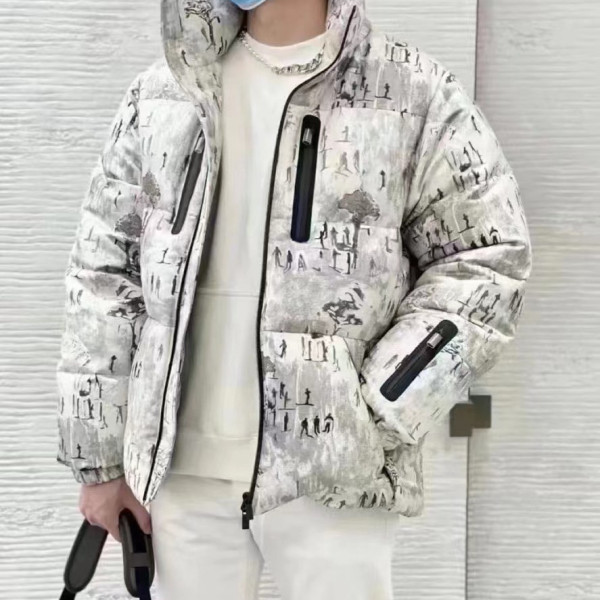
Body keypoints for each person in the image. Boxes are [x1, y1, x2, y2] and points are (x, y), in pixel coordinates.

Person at [55, 0, 533, 598]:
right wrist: (100, 460)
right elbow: (105, 273)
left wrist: (375, 408)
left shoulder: (414, 94)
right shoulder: (165, 92)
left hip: (332, 477)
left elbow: (489, 258)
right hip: (180, 474)